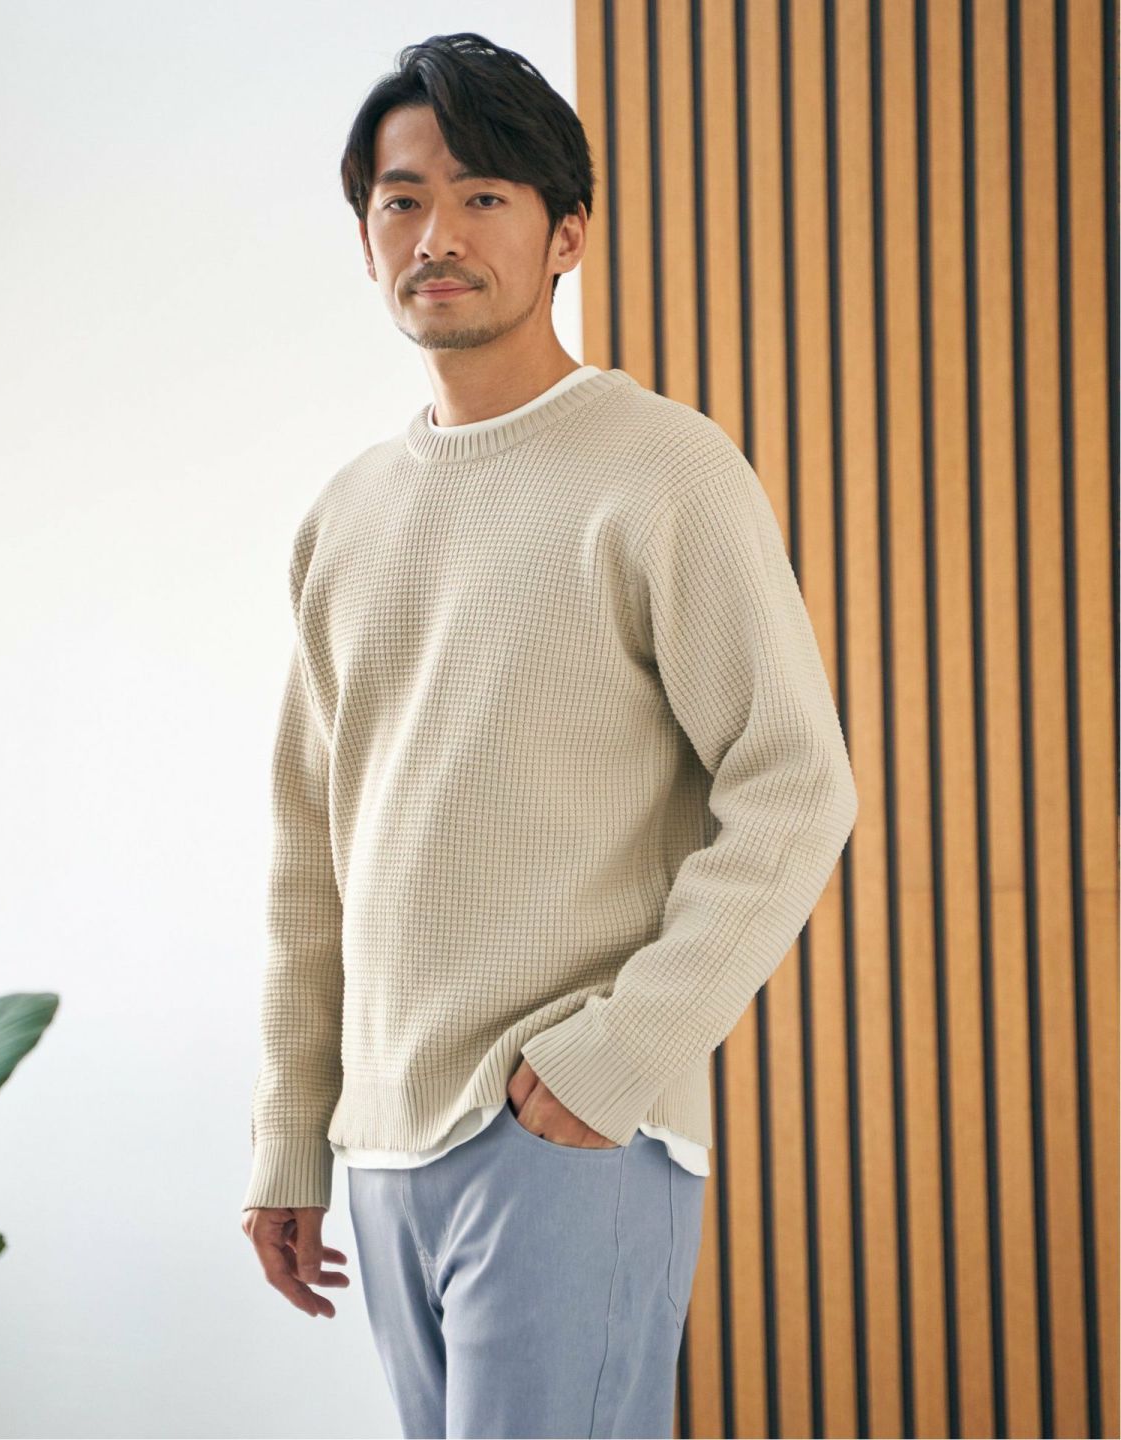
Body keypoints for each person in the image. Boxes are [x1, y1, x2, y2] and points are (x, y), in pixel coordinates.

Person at [240, 30, 858, 1440]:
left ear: (566, 231)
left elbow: (795, 784)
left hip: (565, 1130)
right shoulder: (346, 515)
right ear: (366, 236)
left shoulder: (665, 470)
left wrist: (623, 1053)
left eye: (484, 197)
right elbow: (309, 853)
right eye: (402, 200)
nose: (437, 236)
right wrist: (290, 1134)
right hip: (382, 1149)